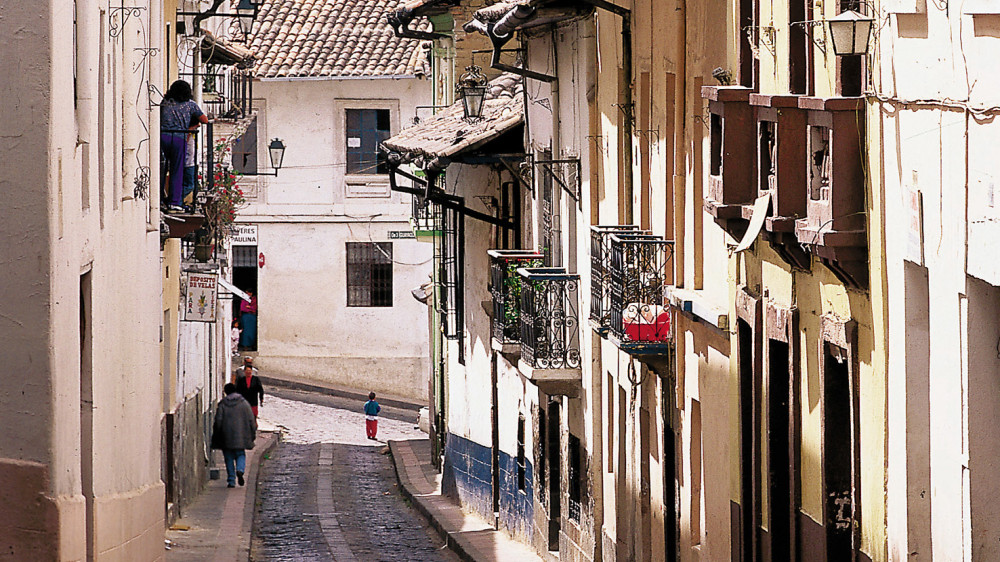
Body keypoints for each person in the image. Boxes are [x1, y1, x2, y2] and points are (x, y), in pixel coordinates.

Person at [160, 80, 208, 213]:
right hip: (179, 138)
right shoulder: (190, 105)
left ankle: (159, 199)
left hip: (162, 136)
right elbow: (205, 120)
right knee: (177, 170)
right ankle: (175, 203)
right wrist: (191, 126)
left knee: (161, 168)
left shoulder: (165, 102)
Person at [212, 383, 257, 488]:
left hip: (226, 436)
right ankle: (240, 470)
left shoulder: (222, 404)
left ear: (226, 392)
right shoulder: (244, 403)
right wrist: (252, 433)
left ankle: (231, 481)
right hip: (241, 436)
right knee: (240, 454)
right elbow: (251, 420)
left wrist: (217, 433)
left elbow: (218, 421)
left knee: (228, 458)